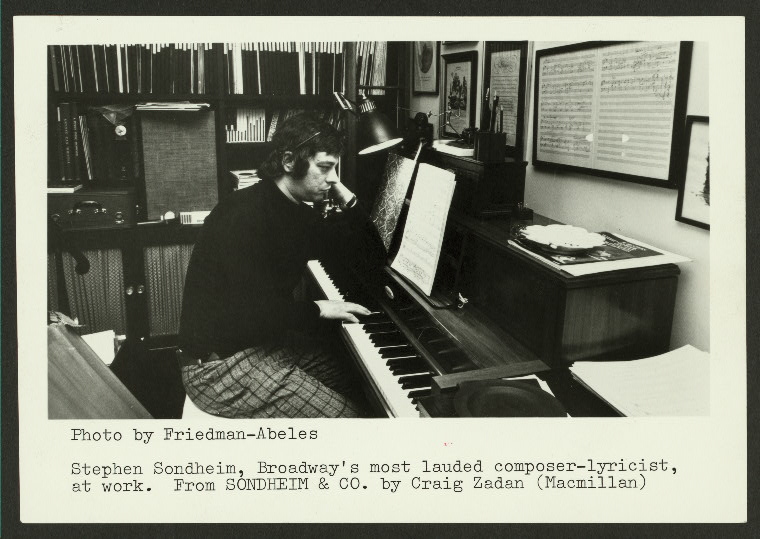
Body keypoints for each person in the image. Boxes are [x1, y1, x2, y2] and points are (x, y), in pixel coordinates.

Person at [177, 113, 385, 418]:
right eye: (325, 168)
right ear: (289, 161)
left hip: (258, 346)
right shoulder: (243, 215)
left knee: (360, 383)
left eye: (335, 169)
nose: (332, 178)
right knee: (350, 420)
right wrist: (318, 308)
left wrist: (344, 194)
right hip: (215, 367)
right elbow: (249, 315)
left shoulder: (295, 209)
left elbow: (370, 252)